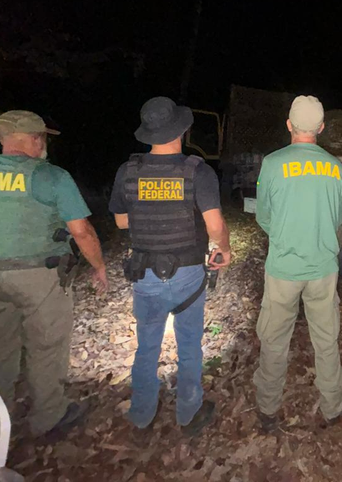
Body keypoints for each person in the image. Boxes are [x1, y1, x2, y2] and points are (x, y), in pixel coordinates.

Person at [0, 110, 108, 437]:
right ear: (36, 139)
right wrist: (98, 266)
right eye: (43, 139)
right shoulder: (51, 177)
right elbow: (81, 231)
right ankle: (49, 416)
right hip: (41, 277)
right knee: (47, 346)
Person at [109, 96, 231, 434]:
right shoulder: (198, 171)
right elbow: (215, 225)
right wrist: (224, 249)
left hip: (145, 274)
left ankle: (142, 415)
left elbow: (121, 221)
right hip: (188, 273)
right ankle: (189, 413)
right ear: (182, 130)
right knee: (189, 345)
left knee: (147, 346)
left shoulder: (128, 171)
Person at [253, 95, 342, 431]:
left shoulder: (272, 164)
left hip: (284, 269)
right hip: (324, 269)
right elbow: (338, 218)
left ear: (289, 125)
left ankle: (268, 408)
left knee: (274, 339)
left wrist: (285, 233)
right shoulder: (336, 168)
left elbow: (263, 215)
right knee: (326, 339)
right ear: (321, 128)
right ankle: (333, 408)